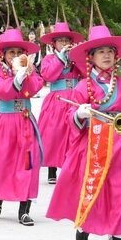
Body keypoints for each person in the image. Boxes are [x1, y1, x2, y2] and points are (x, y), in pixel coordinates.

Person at [45, 23, 121, 240]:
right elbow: (69, 118)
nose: (106, 56)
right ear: (91, 57)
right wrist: (79, 113)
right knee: (92, 192)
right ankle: (83, 233)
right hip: (92, 148)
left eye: (110, 51)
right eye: (101, 52)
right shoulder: (82, 87)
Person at [0, 28, 45, 226]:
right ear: (3, 55)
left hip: (25, 120)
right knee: (2, 161)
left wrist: (25, 74)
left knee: (28, 162)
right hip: (4, 122)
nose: (15, 56)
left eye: (18, 52)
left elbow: (36, 87)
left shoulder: (29, 70)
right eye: (11, 52)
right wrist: (15, 79)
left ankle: (25, 209)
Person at [37, 22, 84, 186]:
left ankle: (69, 167)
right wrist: (60, 58)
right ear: (54, 43)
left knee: (73, 133)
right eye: (60, 41)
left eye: (66, 40)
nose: (64, 43)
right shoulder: (49, 59)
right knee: (54, 133)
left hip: (75, 98)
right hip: (57, 99)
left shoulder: (75, 58)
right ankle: (52, 168)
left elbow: (86, 73)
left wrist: (76, 57)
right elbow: (48, 76)